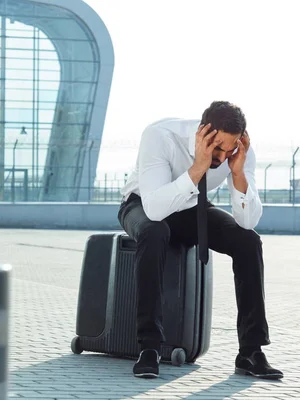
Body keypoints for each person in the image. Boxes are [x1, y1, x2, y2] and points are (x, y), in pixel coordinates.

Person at [118, 101, 283, 380]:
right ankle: (149, 347)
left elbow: (248, 221)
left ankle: (250, 352)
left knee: (248, 241)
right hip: (142, 205)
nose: (220, 156)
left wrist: (239, 173)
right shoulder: (160, 136)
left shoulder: (238, 152)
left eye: (227, 149)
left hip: (191, 207)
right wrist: (199, 166)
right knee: (154, 232)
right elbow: (155, 209)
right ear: (202, 132)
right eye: (216, 147)